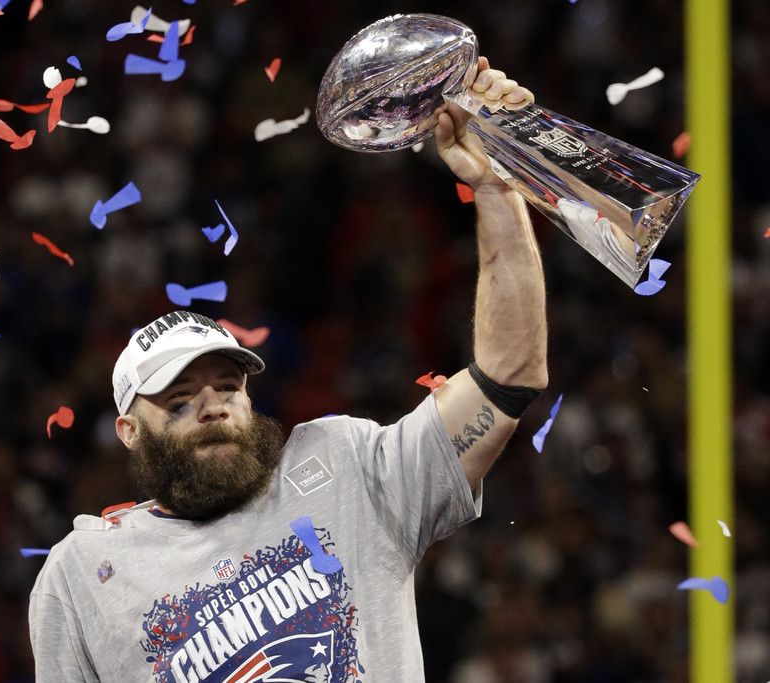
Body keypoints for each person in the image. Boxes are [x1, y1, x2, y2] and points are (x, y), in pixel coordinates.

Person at [29, 57, 548, 682]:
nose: (213, 406)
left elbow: (507, 374)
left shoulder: (346, 469)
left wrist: (497, 188)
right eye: (178, 400)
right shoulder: (83, 573)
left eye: (228, 387)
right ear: (128, 431)